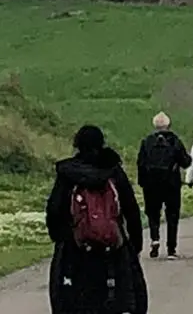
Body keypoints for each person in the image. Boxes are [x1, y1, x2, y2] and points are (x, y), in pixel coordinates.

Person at [46, 125, 142, 314]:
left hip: (76, 248)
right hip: (112, 248)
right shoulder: (113, 172)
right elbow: (131, 208)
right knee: (115, 298)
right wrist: (134, 244)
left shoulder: (68, 173)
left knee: (74, 299)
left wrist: (60, 237)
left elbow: (54, 209)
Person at [136, 112, 191, 260]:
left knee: (153, 213)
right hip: (171, 183)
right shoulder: (175, 141)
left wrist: (142, 182)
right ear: (168, 125)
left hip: (151, 184)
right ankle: (171, 248)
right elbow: (185, 162)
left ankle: (154, 239)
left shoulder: (147, 141)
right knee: (172, 215)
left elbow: (140, 163)